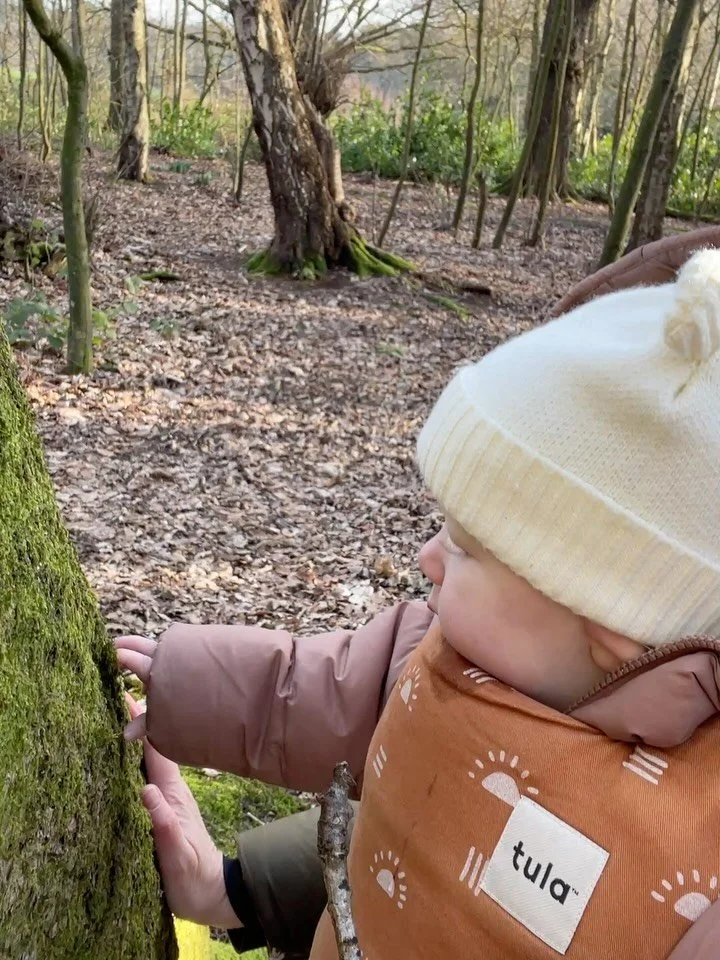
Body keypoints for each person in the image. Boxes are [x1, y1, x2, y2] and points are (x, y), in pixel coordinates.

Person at [117, 230, 720, 960]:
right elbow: (326, 703)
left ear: (609, 626)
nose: (427, 557)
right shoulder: (447, 659)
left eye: (464, 547)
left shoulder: (700, 855)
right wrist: (234, 880)